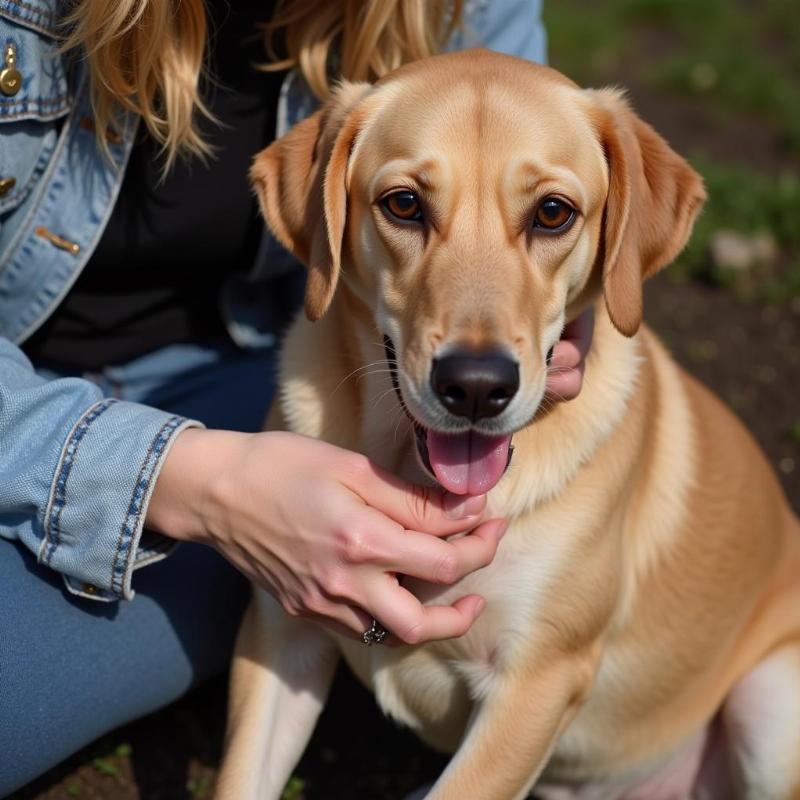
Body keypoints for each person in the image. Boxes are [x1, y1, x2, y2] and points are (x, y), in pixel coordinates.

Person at [0, 0, 591, 792]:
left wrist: (564, 303)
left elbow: (538, 138)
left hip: (245, 375)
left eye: (547, 217)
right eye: (408, 206)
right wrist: (193, 483)